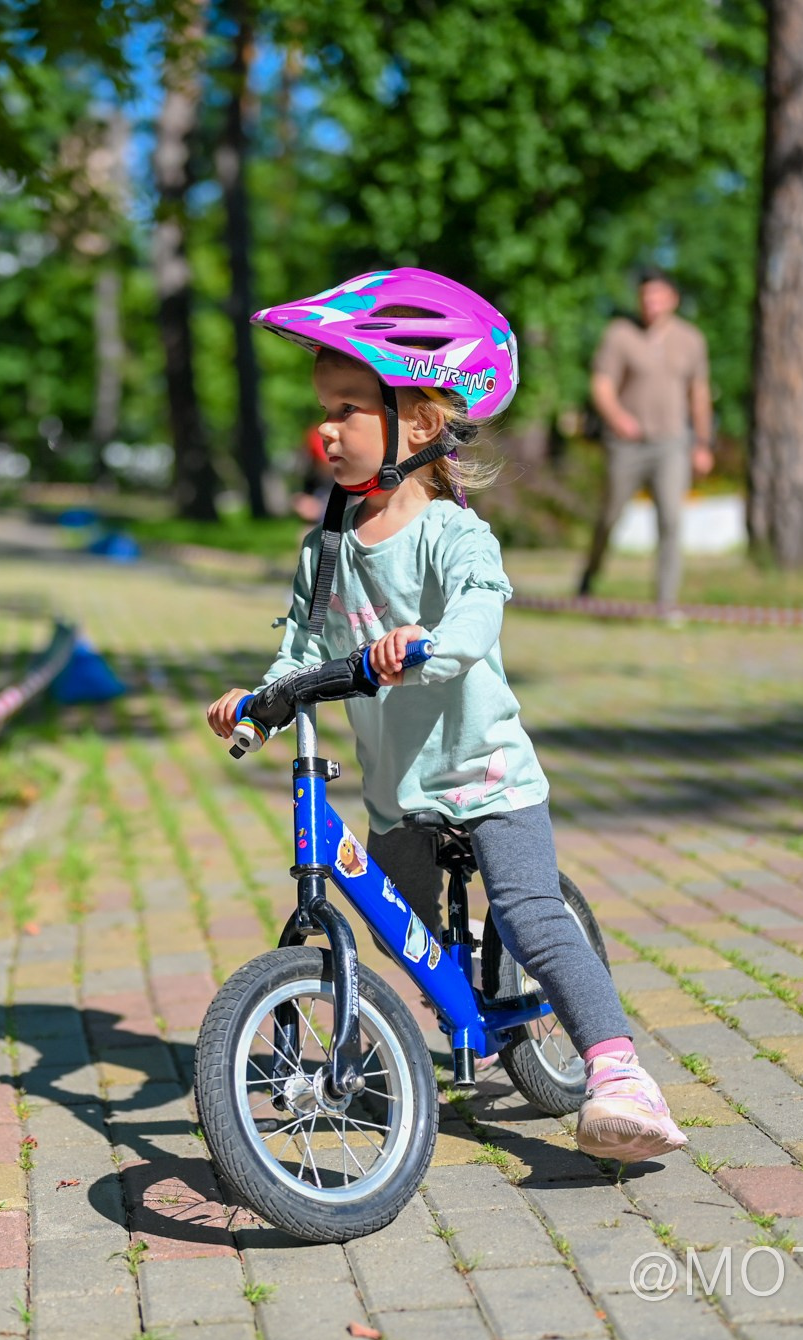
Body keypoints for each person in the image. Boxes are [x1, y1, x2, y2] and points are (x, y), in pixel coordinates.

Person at [204, 268, 686, 1164]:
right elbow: (302, 650)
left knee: (532, 914)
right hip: (399, 789)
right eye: (324, 407)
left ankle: (619, 1073)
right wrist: (260, 699)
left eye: (349, 407)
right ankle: (445, 1015)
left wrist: (424, 640)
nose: (326, 426)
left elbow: (475, 615)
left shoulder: (454, 534)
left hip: (484, 773)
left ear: (418, 424)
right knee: (411, 927)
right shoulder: (325, 549)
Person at [576, 268, 714, 615]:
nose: (651, 303)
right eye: (645, 296)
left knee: (671, 518)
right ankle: (589, 577)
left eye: (658, 296)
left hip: (672, 444)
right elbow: (601, 384)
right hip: (627, 444)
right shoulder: (620, 334)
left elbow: (699, 393)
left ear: (673, 300)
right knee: (610, 516)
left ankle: (666, 603)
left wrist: (703, 443)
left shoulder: (691, 339)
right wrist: (618, 417)